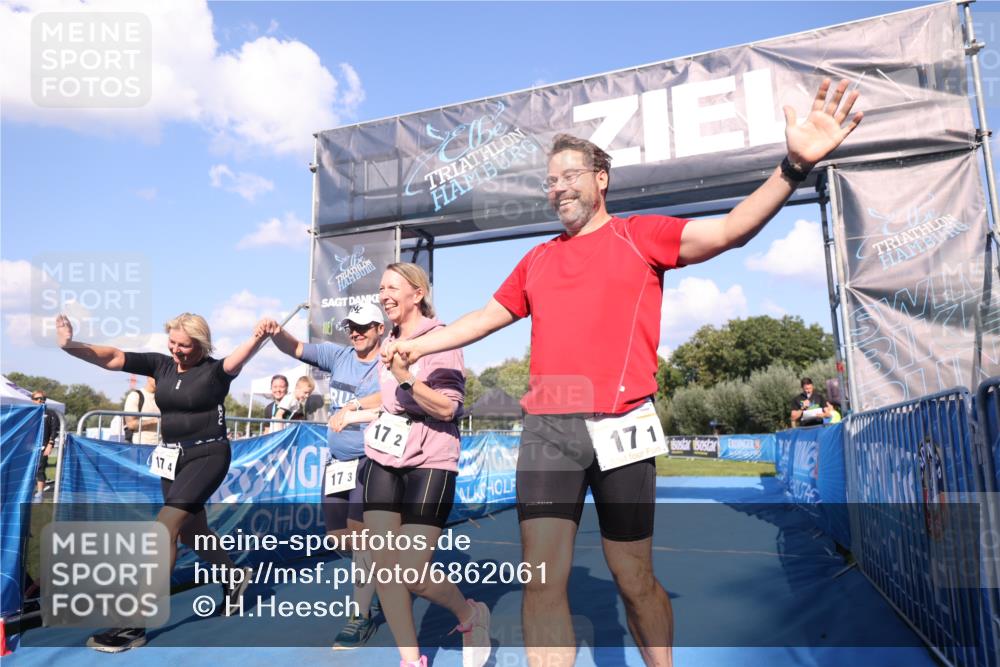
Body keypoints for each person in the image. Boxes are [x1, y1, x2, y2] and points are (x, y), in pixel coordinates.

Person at [384, 79, 862, 666]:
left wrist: (793, 168)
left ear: (601, 179)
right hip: (550, 430)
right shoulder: (537, 259)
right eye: (550, 180)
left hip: (625, 423)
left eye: (570, 175)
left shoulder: (641, 236)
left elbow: (729, 230)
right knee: (542, 578)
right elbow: (483, 318)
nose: (558, 187)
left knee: (633, 577)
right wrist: (416, 346)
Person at [55, 312, 268, 653]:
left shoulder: (215, 371)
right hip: (173, 458)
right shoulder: (161, 365)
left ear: (201, 344)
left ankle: (134, 624)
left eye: (185, 345)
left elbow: (238, 357)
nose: (176, 350)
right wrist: (70, 345)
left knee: (163, 528)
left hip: (208, 456)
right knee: (191, 531)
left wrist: (259, 337)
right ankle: (234, 576)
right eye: (172, 342)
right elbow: (112, 357)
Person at [364, 263, 489, 667]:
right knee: (384, 567)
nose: (384, 295)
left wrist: (405, 377)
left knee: (412, 571)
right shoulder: (388, 340)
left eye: (392, 287)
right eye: (381, 288)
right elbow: (388, 400)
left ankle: (470, 614)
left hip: (431, 460)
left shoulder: (441, 339)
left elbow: (448, 408)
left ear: (417, 294)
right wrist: (355, 407)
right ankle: (410, 659)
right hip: (384, 457)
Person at [258, 302, 385, 649]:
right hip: (337, 462)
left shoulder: (388, 361)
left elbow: (395, 399)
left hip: (371, 460)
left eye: (363, 326)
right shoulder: (337, 355)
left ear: (379, 328)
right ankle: (378, 573)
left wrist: (356, 408)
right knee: (338, 538)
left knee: (360, 537)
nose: (356, 333)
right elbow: (295, 348)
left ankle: (360, 615)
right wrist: (276, 332)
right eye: (351, 327)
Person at [31, 391, 59, 502]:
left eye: (42, 398)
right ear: (32, 400)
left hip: (43, 446)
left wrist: (50, 444)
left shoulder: (51, 413)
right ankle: (30, 492)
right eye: (37, 398)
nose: (40, 400)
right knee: (30, 469)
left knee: (40, 468)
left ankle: (39, 494)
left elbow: (54, 430)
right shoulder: (29, 413)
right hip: (29, 447)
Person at [123, 376, 160, 445]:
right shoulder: (135, 396)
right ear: (148, 377)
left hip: (159, 446)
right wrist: (154, 421)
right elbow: (130, 424)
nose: (160, 380)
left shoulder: (162, 398)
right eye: (157, 377)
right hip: (139, 446)